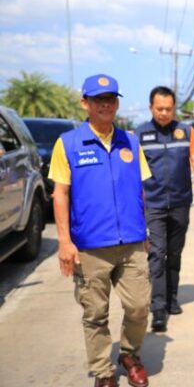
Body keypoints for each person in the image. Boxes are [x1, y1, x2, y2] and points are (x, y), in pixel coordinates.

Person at [49, 74, 151, 387]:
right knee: (95, 313)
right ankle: (103, 372)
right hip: (90, 247)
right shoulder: (68, 143)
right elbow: (60, 194)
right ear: (85, 103)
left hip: (131, 242)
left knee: (139, 306)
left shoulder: (131, 142)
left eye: (111, 99)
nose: (106, 105)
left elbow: (140, 189)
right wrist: (64, 242)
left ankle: (129, 354)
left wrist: (144, 229)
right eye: (98, 99)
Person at [134, 86, 194, 332]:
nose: (164, 113)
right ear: (151, 108)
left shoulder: (186, 132)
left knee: (174, 254)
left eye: (168, 109)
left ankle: (172, 298)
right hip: (153, 204)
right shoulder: (139, 135)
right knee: (157, 254)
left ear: (174, 108)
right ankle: (158, 308)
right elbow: (132, 171)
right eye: (159, 109)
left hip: (180, 202)